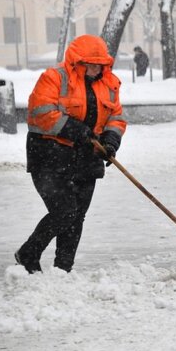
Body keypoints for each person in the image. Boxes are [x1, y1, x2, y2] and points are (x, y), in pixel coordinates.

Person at [15, 35, 126, 273]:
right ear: (76, 61)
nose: (96, 68)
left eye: (100, 64)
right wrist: (76, 130)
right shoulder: (54, 78)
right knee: (64, 211)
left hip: (87, 156)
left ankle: (63, 268)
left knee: (77, 217)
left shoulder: (110, 84)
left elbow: (116, 117)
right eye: (91, 63)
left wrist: (111, 140)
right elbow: (41, 113)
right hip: (49, 155)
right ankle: (29, 253)